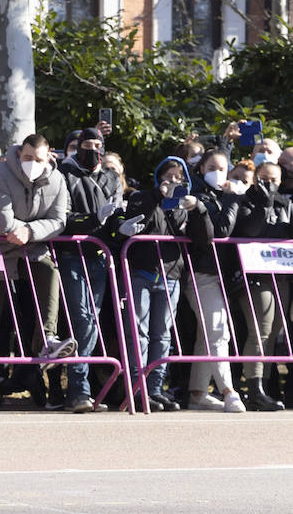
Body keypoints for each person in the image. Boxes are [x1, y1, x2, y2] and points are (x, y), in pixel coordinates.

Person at [0, 133, 67, 414]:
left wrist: (29, 231)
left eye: (38, 159)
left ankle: (48, 340)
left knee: (49, 272)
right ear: (19, 154)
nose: (32, 164)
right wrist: (26, 230)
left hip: (32, 248)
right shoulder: (1, 174)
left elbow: (59, 220)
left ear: (48, 157)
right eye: (27, 158)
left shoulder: (57, 179)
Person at [55, 127, 124, 413]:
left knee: (92, 321)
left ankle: (84, 389)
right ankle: (77, 390)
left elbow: (117, 213)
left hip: (98, 256)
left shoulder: (110, 177)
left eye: (97, 144)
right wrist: (93, 219)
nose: (92, 148)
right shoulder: (64, 174)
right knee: (81, 320)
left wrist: (123, 227)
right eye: (86, 144)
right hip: (72, 255)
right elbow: (64, 217)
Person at [118, 157, 191, 411]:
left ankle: (155, 388)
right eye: (167, 176)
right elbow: (140, 223)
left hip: (170, 276)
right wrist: (156, 197)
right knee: (139, 334)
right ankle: (137, 387)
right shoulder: (141, 196)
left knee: (163, 335)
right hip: (142, 273)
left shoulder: (182, 206)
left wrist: (186, 206)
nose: (172, 181)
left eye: (177, 177)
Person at [183, 149, 245, 411]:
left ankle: (197, 393)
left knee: (206, 334)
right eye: (212, 167)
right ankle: (228, 391)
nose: (218, 173)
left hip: (224, 274)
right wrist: (232, 198)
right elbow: (220, 230)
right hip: (202, 272)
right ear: (201, 169)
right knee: (218, 331)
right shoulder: (196, 196)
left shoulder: (231, 196)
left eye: (223, 167)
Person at [232, 158, 289, 410]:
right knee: (260, 329)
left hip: (280, 274)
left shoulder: (285, 203)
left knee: (274, 330)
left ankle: (263, 387)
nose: (269, 184)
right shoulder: (245, 201)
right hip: (255, 275)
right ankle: (254, 388)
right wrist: (263, 203)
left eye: (274, 180)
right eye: (264, 178)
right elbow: (253, 231)